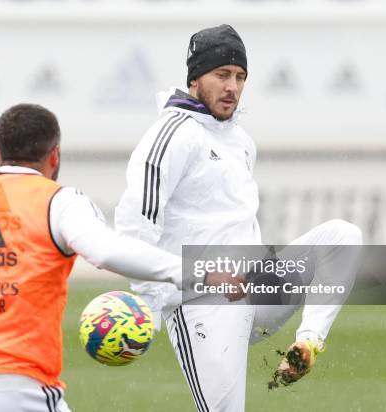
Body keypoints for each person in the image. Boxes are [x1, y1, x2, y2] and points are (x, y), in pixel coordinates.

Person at [0, 103, 237, 412]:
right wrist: (196, 273)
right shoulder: (58, 201)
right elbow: (106, 251)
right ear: (54, 155)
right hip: (18, 387)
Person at [115, 24, 363, 412]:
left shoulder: (240, 140)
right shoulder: (171, 136)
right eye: (222, 74)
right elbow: (135, 226)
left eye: (240, 76)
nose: (233, 86)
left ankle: (308, 343)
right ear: (195, 78)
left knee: (342, 236)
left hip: (257, 288)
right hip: (202, 303)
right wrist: (149, 305)